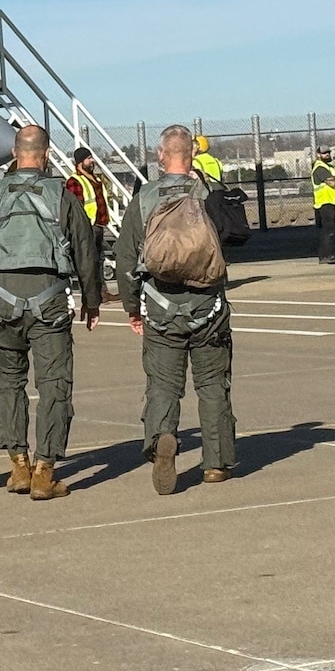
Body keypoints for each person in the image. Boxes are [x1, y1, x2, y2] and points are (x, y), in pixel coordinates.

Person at [0, 125, 102, 500]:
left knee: (8, 383)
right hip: (49, 304)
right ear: (45, 155)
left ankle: (19, 465)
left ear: (14, 155)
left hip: (1, 305)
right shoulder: (62, 197)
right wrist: (91, 300)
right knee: (54, 386)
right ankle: (45, 472)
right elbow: (85, 251)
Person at [114, 125, 235, 495]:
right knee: (213, 385)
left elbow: (124, 258)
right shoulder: (209, 193)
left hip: (161, 309)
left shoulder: (146, 198)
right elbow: (231, 238)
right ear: (193, 156)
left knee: (163, 386)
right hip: (208, 307)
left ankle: (163, 437)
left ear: (162, 157)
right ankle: (215, 463)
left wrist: (133, 307)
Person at [65, 145, 110, 269]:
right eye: (89, 158)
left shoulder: (94, 179)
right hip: (87, 227)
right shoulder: (74, 182)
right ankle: (93, 288)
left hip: (98, 225)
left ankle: (100, 287)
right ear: (80, 162)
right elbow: (75, 208)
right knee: (89, 262)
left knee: (97, 260)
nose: (92, 161)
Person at [312, 145, 335, 264]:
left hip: (332, 202)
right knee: (328, 230)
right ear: (318, 155)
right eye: (324, 153)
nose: (327, 155)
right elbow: (332, 183)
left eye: (328, 152)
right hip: (324, 202)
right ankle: (326, 255)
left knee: (330, 229)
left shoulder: (329, 167)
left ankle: (325, 255)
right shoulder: (320, 168)